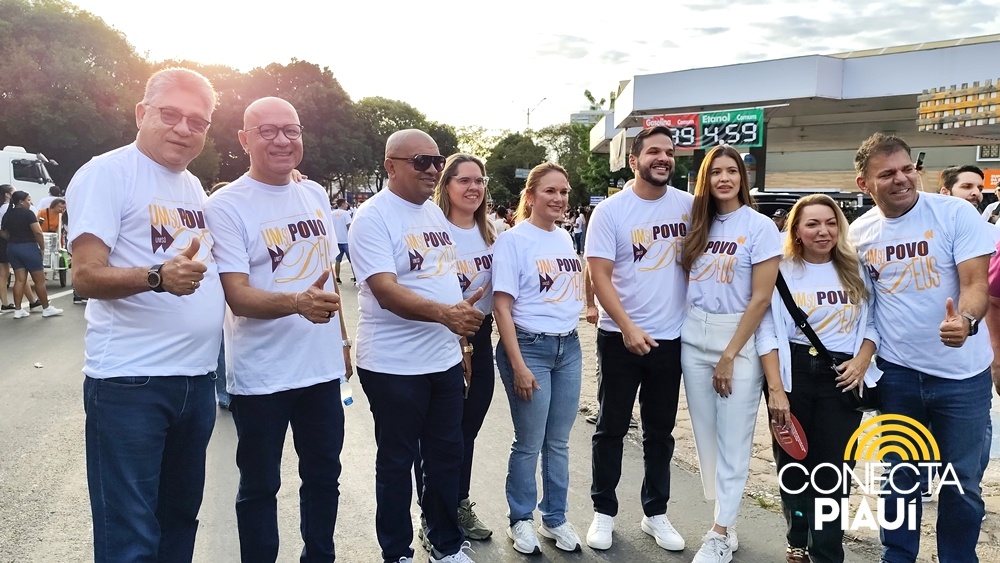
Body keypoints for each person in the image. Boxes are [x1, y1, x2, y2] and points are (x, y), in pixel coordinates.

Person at [65, 67, 224, 562]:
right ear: (142, 113)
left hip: (195, 382)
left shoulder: (193, 186)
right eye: (171, 114)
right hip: (131, 383)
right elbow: (85, 276)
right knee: (130, 533)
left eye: (196, 121)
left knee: (179, 519)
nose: (183, 128)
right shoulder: (107, 173)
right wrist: (155, 276)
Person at [204, 97, 350, 562]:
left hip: (321, 370)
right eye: (267, 131)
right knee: (260, 486)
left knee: (324, 477)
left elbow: (325, 276)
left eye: (291, 129)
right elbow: (237, 296)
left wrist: (342, 340)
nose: (282, 140)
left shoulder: (316, 195)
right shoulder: (225, 206)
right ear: (245, 139)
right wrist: (296, 304)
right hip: (262, 374)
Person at [849, 132, 994, 563]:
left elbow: (976, 284)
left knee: (962, 482)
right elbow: (865, 307)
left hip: (962, 377)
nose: (901, 179)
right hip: (897, 376)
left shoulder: (955, 214)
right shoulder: (859, 234)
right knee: (899, 478)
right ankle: (897, 556)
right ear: (864, 184)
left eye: (907, 169)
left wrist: (964, 321)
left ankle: (957, 558)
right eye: (887, 173)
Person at [349, 129, 482, 563]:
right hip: (392, 365)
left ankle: (444, 543)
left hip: (442, 360)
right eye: (421, 161)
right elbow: (386, 291)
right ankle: (396, 551)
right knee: (396, 462)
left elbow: (444, 282)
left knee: (446, 457)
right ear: (391, 166)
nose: (432, 170)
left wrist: (460, 342)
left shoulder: (432, 215)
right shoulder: (373, 217)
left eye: (437, 161)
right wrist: (447, 316)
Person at [584, 126, 691, 552]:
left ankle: (655, 512)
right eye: (653, 152)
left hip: (672, 339)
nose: (663, 158)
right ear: (635, 160)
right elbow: (599, 274)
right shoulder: (611, 212)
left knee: (660, 432)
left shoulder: (690, 206)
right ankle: (603, 512)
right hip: (619, 339)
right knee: (611, 427)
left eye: (669, 152)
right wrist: (627, 327)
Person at [679, 144, 785, 563]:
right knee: (706, 437)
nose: (724, 178)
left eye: (732, 171)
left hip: (736, 340)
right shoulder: (697, 223)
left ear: (743, 177)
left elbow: (761, 299)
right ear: (706, 179)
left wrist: (729, 355)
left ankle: (720, 531)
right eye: (716, 172)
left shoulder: (759, 227)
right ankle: (728, 517)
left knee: (735, 437)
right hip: (693, 334)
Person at [768, 194, 880, 563]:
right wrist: (776, 390)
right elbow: (767, 331)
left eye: (830, 223)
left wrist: (862, 360)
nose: (823, 231)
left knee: (833, 469)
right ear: (796, 230)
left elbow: (875, 322)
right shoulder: (781, 269)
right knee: (794, 463)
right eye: (813, 224)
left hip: (842, 375)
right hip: (795, 371)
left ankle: (828, 552)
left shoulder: (855, 267)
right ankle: (797, 538)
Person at [493, 162, 585, 555]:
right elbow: (501, 306)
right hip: (529, 347)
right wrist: (518, 366)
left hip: (570, 347)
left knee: (559, 442)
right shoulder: (513, 241)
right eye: (550, 191)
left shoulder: (565, 239)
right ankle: (520, 519)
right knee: (529, 442)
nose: (559, 199)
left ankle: (555, 517)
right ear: (530, 196)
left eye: (563, 192)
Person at [415, 154, 496, 544]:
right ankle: (432, 514)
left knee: (468, 430)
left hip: (482, 336)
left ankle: (458, 503)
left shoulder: (492, 233)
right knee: (437, 435)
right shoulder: (433, 229)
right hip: (443, 336)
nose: (473, 188)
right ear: (445, 185)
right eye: (464, 180)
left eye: (479, 180)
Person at [0, 191, 63, 318]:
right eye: (28, 200)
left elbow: (3, 232)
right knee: (39, 280)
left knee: (19, 279)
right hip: (28, 247)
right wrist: (42, 247)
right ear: (21, 202)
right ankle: (46, 308)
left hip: (12, 248)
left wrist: (11, 239)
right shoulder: (28, 214)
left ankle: (18, 310)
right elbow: (38, 232)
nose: (30, 202)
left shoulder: (8, 214)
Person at [330, 198, 354, 284]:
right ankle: (355, 277)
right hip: (345, 240)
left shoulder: (332, 213)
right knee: (352, 260)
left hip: (336, 240)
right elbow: (349, 226)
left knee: (338, 260)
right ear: (343, 204)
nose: (347, 205)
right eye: (346, 204)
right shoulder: (346, 214)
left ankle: (337, 277)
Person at [0, 184, 14, 312]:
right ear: (7, 194)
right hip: (4, 243)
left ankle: (5, 302)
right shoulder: (6, 208)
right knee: (4, 274)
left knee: (3, 274)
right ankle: (5, 303)